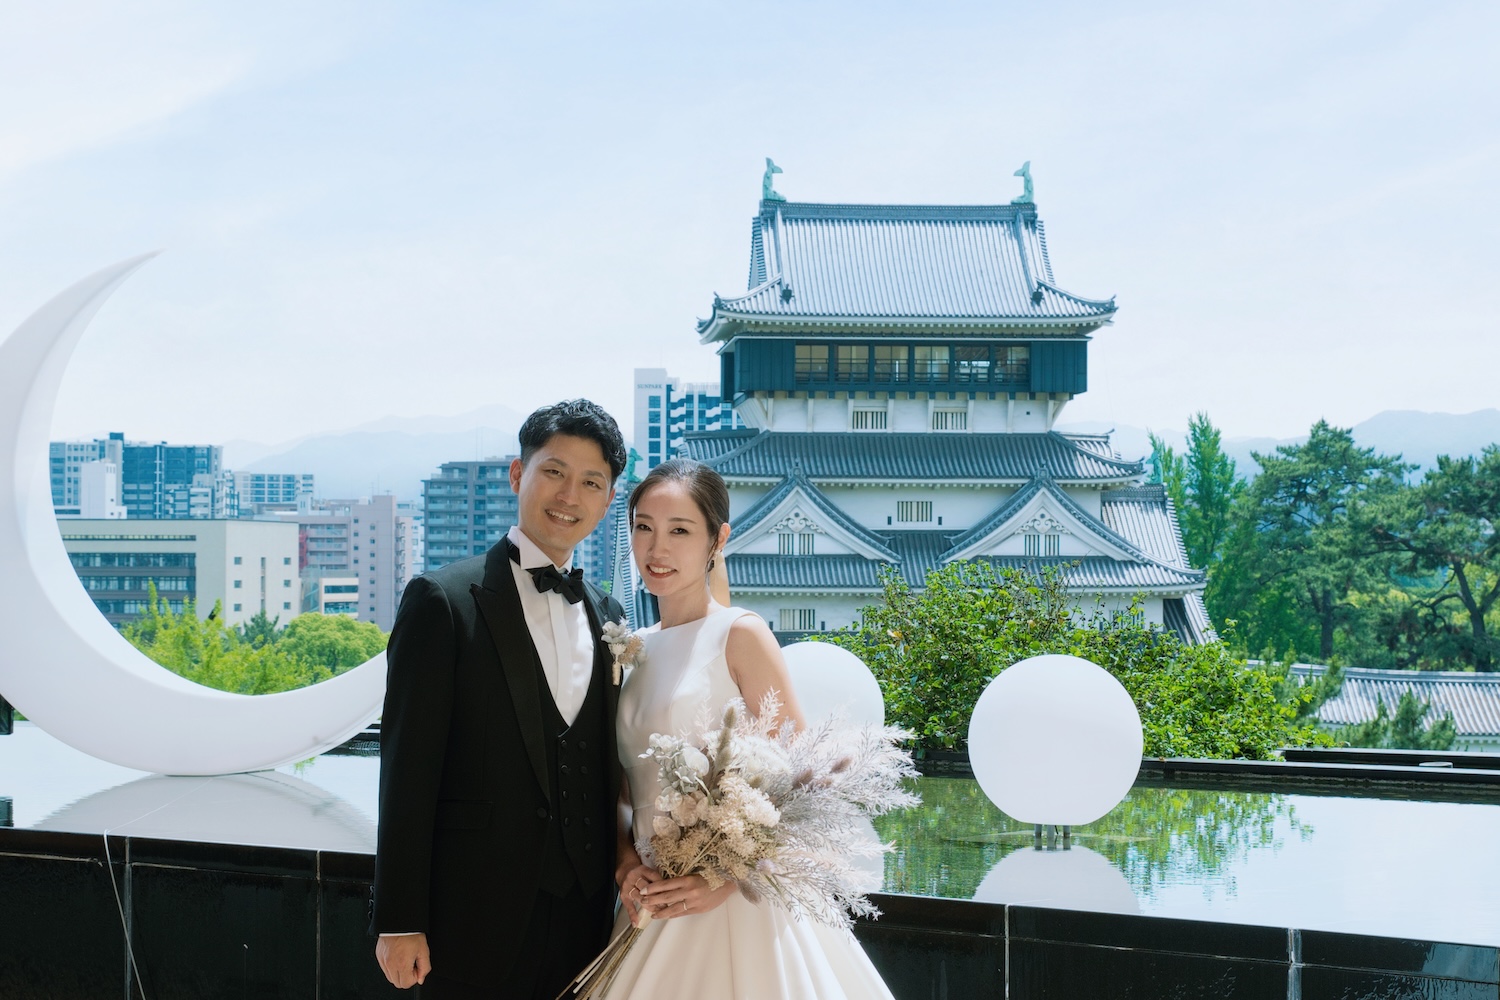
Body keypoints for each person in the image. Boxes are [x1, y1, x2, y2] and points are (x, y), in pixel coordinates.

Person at [604, 458, 897, 999]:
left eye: (679, 531)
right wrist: (626, 866)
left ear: (718, 539)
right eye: (643, 527)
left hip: (734, 904)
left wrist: (722, 879)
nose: (656, 549)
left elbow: (802, 785)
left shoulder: (740, 634)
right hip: (650, 898)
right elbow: (622, 791)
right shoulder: (631, 649)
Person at [372, 399, 634, 999]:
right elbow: (407, 770)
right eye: (554, 472)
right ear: (518, 474)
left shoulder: (609, 615)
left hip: (586, 922)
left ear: (607, 501)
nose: (569, 495)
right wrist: (399, 919)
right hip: (471, 921)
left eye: (591, 482)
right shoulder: (442, 601)